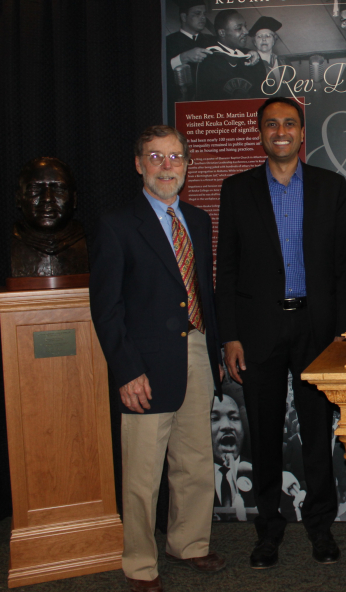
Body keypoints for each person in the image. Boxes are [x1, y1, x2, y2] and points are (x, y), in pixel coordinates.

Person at [216, 96, 346, 569]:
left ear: (302, 134)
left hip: (316, 328)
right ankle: (268, 531)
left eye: (290, 124)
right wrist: (230, 335)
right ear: (261, 134)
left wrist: (341, 334)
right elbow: (227, 270)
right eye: (272, 124)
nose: (281, 131)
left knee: (316, 432)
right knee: (266, 431)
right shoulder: (236, 190)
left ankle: (320, 527)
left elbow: (343, 267)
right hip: (258, 329)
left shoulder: (330, 187)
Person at [89, 125, 226, 592]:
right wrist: (126, 369)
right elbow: (105, 307)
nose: (167, 166)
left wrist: (217, 346)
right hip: (145, 364)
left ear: (188, 165)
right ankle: (140, 563)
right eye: (156, 157)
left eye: (175, 157)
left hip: (196, 352)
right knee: (144, 472)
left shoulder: (200, 220)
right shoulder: (117, 224)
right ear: (138, 164)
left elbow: (203, 293)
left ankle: (189, 543)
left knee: (194, 459)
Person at [10, 156, 89, 277]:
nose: (47, 198)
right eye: (35, 189)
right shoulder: (9, 242)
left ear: (74, 200)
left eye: (58, 189)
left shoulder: (93, 241)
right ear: (19, 199)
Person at [165, 0, 217, 119]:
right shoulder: (168, 42)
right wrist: (182, 58)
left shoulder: (212, 40)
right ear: (184, 17)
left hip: (210, 107)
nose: (203, 17)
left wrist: (251, 53)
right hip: (181, 108)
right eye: (197, 14)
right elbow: (160, 76)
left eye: (204, 13)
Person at [195, 9, 265, 101]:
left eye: (245, 26)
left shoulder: (252, 57)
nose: (246, 31)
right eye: (239, 28)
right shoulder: (208, 61)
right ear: (222, 33)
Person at [211, 393, 252, 522]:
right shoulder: (190, 477)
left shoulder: (260, 473)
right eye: (214, 418)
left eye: (234, 418)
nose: (227, 426)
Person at [249, 16, 285, 91]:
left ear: (274, 40)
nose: (264, 39)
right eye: (259, 36)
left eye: (268, 36)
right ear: (255, 42)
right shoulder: (249, 64)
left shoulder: (284, 63)